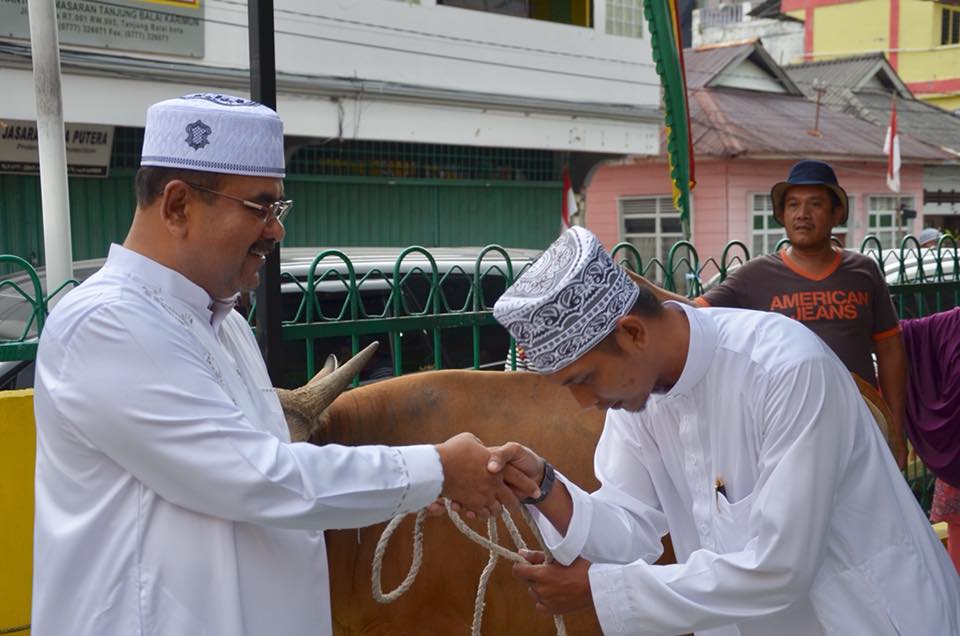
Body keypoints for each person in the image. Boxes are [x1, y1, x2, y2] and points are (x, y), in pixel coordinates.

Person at [30, 93, 536, 635]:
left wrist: (419, 484)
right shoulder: (108, 324)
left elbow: (273, 477)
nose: (276, 230)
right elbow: (259, 479)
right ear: (177, 206)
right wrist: (436, 471)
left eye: (279, 209)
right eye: (259, 207)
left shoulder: (219, 323)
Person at [485, 226, 960, 635]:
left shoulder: (784, 370)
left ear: (633, 333)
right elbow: (631, 526)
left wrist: (600, 588)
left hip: (867, 618)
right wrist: (544, 487)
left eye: (583, 379)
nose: (585, 403)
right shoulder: (637, 399)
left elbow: (781, 567)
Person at [635, 160, 909, 468]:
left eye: (815, 204)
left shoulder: (863, 271)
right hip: (792, 425)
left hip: (863, 419)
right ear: (782, 215)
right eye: (793, 205)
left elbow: (889, 349)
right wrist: (640, 286)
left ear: (836, 214)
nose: (802, 214)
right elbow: (692, 314)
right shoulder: (755, 276)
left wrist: (896, 427)